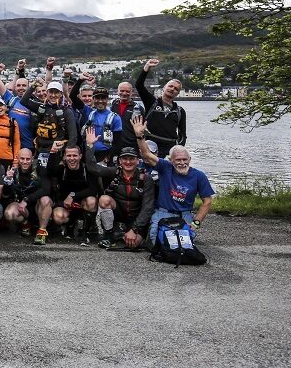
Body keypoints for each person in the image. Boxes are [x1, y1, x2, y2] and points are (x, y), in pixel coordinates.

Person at [131, 115, 213, 244]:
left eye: (185, 159)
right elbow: (147, 154)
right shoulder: (165, 167)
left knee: (181, 247)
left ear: (189, 160)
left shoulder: (199, 176)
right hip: (162, 213)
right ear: (171, 160)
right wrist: (139, 135)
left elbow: (207, 201)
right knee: (156, 245)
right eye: (178, 160)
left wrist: (196, 223)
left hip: (184, 215)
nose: (181, 163)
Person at [84, 130, 155, 250]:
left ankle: (129, 232)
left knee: (132, 244)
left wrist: (134, 229)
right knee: (104, 199)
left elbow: (147, 208)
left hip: (136, 217)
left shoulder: (146, 178)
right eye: (125, 159)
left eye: (132, 159)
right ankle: (109, 234)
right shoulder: (115, 171)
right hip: (119, 212)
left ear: (138, 160)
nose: (128, 162)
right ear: (120, 161)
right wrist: (90, 145)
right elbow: (93, 168)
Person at [135, 58, 187, 157]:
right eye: (170, 86)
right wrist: (147, 67)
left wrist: (179, 151)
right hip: (150, 147)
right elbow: (139, 85)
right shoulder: (151, 102)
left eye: (176, 89)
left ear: (178, 93)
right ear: (164, 87)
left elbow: (182, 135)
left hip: (169, 150)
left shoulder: (180, 111)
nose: (172, 89)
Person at [1, 148, 40, 235]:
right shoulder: (13, 172)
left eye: (28, 159)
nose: (25, 162)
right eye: (22, 159)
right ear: (18, 158)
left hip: (35, 206)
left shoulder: (39, 170)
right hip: (20, 206)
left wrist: (27, 200)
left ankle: (40, 228)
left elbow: (45, 190)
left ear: (32, 159)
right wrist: (8, 181)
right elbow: (6, 194)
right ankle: (25, 223)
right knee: (9, 213)